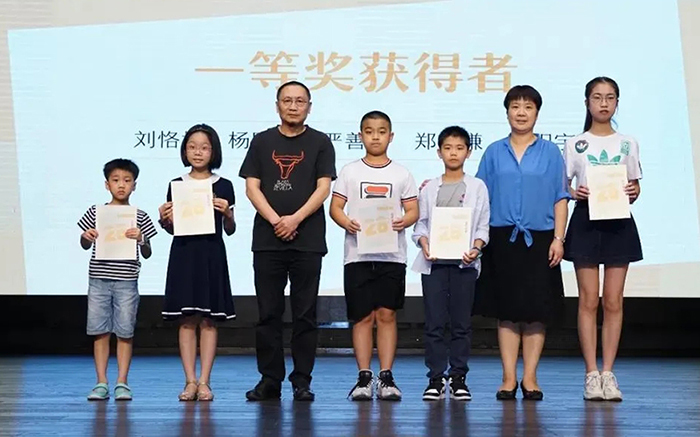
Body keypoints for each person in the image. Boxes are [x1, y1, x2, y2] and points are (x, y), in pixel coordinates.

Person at [239, 81, 336, 402]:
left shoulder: (321, 142)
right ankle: (270, 379)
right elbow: (252, 187)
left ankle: (302, 380)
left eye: (300, 101)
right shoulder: (261, 141)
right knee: (268, 313)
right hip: (268, 241)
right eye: (287, 100)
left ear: (309, 106)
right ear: (277, 105)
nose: (293, 106)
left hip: (307, 240)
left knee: (305, 314)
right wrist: (276, 221)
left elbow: (323, 188)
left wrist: (294, 219)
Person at [474, 85, 570, 401]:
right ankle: (507, 377)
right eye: (515, 106)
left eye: (528, 107)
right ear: (507, 113)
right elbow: (479, 196)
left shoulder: (550, 152)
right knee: (507, 311)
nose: (521, 112)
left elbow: (560, 197)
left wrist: (559, 239)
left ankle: (530, 377)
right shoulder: (493, 152)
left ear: (537, 113)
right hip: (501, 238)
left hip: (540, 239)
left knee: (536, 311)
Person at [563, 77, 642, 402]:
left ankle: (608, 372)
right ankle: (590, 374)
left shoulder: (628, 143)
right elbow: (565, 186)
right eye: (597, 97)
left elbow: (635, 185)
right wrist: (575, 192)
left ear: (617, 103)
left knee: (613, 300)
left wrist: (633, 191)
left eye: (610, 97)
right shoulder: (575, 143)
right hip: (586, 220)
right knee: (588, 300)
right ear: (587, 103)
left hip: (618, 222)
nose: (604, 103)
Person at [330, 110, 418, 401]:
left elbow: (413, 210)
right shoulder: (350, 171)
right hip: (357, 256)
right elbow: (335, 208)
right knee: (362, 317)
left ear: (391, 137)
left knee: (387, 315)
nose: (375, 137)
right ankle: (364, 377)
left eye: (381, 132)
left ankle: (386, 376)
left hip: (391, 256)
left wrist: (404, 221)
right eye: (369, 131)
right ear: (360, 136)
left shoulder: (401, 173)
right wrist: (347, 222)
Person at [158, 124, 236, 401]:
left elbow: (230, 230)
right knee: (186, 320)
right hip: (184, 254)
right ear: (184, 150)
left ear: (214, 151)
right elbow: (172, 228)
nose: (198, 152)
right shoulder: (176, 184)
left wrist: (228, 214)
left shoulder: (224, 185)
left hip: (211, 254)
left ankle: (205, 381)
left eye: (204, 147)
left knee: (209, 321)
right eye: (192, 147)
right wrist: (164, 220)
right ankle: (190, 380)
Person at [411, 126, 490, 401]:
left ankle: (458, 378)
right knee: (434, 323)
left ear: (468, 152)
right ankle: (435, 378)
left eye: (459, 148)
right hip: (434, 264)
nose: (453, 153)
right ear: (438, 152)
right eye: (447, 148)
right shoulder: (429, 188)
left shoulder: (478, 187)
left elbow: (482, 226)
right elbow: (420, 225)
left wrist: (476, 249)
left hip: (464, 266)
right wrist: (424, 244)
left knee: (461, 324)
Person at [78, 158, 158, 401]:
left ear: (134, 185)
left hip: (127, 281)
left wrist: (141, 238)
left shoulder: (139, 215)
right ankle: (101, 382)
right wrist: (86, 236)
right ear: (107, 184)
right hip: (99, 279)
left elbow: (148, 252)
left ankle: (122, 382)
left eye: (127, 180)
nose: (121, 185)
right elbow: (84, 244)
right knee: (100, 331)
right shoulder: (95, 213)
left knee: (125, 331)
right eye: (115, 180)